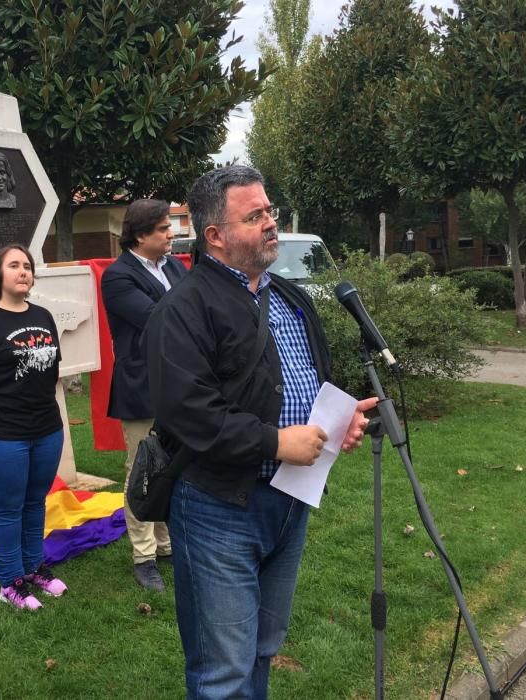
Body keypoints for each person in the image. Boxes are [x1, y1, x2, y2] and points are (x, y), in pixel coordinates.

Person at [144, 165, 376, 698]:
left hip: (289, 503)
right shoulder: (182, 309)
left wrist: (338, 423)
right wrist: (274, 442)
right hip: (217, 510)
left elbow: (311, 380)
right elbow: (189, 413)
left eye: (269, 210)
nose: (271, 222)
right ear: (215, 236)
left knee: (262, 650)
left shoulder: (292, 298)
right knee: (222, 670)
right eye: (255, 216)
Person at [0, 244, 66, 611]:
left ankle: (34, 568)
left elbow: (51, 370)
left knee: (35, 501)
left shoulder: (45, 316)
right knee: (7, 508)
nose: (24, 271)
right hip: (0, 434)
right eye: (15, 265)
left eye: (28, 266)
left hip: (46, 428)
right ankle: (10, 582)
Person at [101, 199, 188, 592]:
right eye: (163, 228)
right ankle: (143, 556)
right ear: (140, 235)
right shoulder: (118, 276)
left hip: (180, 382)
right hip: (142, 385)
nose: (171, 233)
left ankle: (167, 545)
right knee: (142, 470)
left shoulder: (172, 266)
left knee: (174, 465)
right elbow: (161, 319)